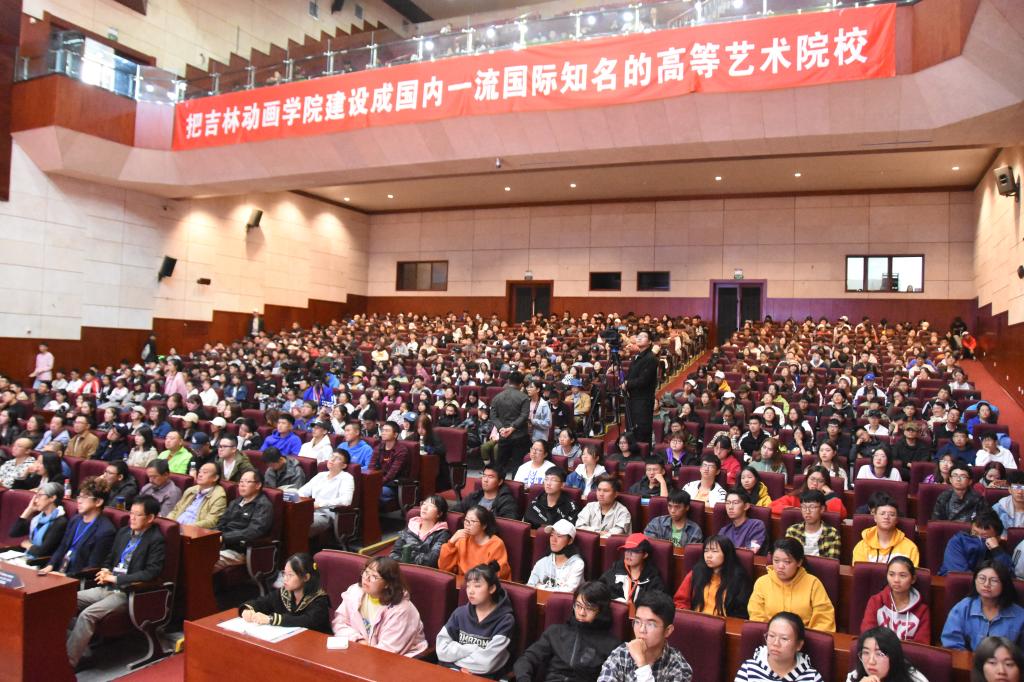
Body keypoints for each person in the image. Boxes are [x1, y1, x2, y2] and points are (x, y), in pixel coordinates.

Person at [66, 495, 165, 669]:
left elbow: (151, 572)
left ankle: (68, 663)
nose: (132, 518)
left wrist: (117, 578)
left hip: (128, 592)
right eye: (131, 513)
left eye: (137, 515)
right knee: (63, 602)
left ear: (150, 518)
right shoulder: (124, 532)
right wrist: (105, 569)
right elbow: (110, 558)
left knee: (88, 615)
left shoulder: (156, 539)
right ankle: (80, 649)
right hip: (107, 586)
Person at [514, 581, 621, 682]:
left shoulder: (612, 645)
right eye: (578, 606)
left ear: (600, 611)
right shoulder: (555, 632)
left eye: (589, 608)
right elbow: (527, 659)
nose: (581, 613)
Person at [331, 556, 429, 656]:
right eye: (366, 572)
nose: (366, 579)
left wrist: (363, 649)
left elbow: (388, 650)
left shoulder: (402, 610)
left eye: (374, 576)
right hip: (362, 651)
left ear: (387, 584)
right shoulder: (355, 591)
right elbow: (339, 622)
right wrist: (358, 640)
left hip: (401, 659)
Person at [436, 560, 516, 677]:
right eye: (468, 586)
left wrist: (455, 661)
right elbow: (441, 650)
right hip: (453, 673)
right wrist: (472, 650)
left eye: (477, 586)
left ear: (492, 588)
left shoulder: (505, 620)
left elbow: (487, 664)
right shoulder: (460, 613)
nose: (471, 591)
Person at [596, 591, 692, 682]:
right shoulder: (621, 654)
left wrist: (641, 664)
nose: (641, 630)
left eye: (650, 624)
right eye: (637, 622)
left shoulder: (679, 667)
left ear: (667, 631)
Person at [749, 538, 836, 632]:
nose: (780, 566)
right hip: (771, 637)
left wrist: (801, 638)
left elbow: (824, 621)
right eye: (776, 560)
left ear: (799, 562)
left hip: (805, 638)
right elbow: (756, 617)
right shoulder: (762, 583)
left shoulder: (813, 584)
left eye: (787, 562)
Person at [41, 477, 116, 577]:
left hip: (77, 578)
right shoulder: (75, 520)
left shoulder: (105, 531)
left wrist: (67, 577)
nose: (79, 501)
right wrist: (50, 565)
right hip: (59, 572)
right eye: (79, 497)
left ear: (98, 502)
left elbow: (93, 567)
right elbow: (63, 546)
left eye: (85, 497)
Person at [942, 561, 1024, 650]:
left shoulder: (1020, 616)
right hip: (968, 658)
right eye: (982, 578)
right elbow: (951, 644)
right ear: (975, 581)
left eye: (994, 580)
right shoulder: (962, 608)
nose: (986, 584)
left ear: (1004, 584)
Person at [240, 552, 331, 633]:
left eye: (290, 575)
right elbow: (262, 602)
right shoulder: (284, 593)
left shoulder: (319, 599)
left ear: (306, 577)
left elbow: (307, 620)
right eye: (284, 573)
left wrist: (271, 619)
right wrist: (247, 610)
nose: (285, 579)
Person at [673, 534, 752, 617]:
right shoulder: (696, 573)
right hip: (695, 620)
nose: (708, 556)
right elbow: (680, 601)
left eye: (714, 551)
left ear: (726, 554)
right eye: (706, 551)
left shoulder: (739, 579)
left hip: (724, 623)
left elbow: (741, 611)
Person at [736, 611, 824, 682]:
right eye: (771, 636)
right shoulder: (748, 669)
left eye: (784, 638)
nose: (776, 643)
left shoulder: (812, 678)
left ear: (798, 645)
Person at [861, 556, 932, 644]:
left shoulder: (922, 610)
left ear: (913, 579)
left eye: (902, 575)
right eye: (891, 574)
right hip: (878, 651)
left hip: (907, 653)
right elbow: (868, 635)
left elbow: (921, 645)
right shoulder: (875, 601)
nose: (896, 580)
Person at [214, 469, 274, 569]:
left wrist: (224, 537)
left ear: (258, 485)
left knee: (205, 559)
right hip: (222, 545)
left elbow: (253, 531)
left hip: (239, 550)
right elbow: (221, 522)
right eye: (241, 481)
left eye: (247, 482)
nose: (242, 485)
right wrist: (211, 535)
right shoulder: (235, 502)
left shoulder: (263, 505)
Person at [438, 505, 512, 581]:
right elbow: (444, 568)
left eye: (472, 521)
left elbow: (498, 574)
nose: (467, 524)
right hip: (462, 583)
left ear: (484, 525)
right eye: (466, 520)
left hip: (484, 584)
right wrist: (451, 542)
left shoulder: (496, 544)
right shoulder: (462, 539)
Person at [7, 482, 68, 565]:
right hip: (28, 558)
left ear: (52, 498)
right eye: (36, 496)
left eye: (40, 495)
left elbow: (43, 552)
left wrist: (28, 545)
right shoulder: (38, 518)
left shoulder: (60, 522)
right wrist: (29, 510)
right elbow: (13, 533)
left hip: (40, 563)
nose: (36, 500)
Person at [297, 449, 355, 537]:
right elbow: (302, 491)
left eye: (338, 458)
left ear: (344, 465)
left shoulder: (346, 478)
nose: (332, 459)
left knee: (299, 524)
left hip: (325, 515)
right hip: (309, 511)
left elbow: (346, 501)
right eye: (332, 456)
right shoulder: (321, 475)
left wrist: (320, 504)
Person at [852, 494, 920, 566]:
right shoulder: (861, 547)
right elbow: (860, 572)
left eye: (892, 514)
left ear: (896, 520)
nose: (886, 517)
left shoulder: (910, 548)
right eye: (882, 513)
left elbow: (911, 572)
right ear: (875, 518)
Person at [598, 532, 667, 603]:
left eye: (634, 551)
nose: (629, 554)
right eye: (626, 550)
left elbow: (657, 603)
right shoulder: (616, 570)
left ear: (645, 555)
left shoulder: (653, 579)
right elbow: (599, 589)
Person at [941, 511, 1013, 576]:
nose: (979, 539)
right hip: (955, 583)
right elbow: (960, 575)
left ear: (997, 538)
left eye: (984, 537)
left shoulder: (998, 548)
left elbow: (1008, 575)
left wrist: (997, 550)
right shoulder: (958, 541)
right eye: (974, 533)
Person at [846, 626, 928, 682]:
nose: (871, 662)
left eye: (879, 654)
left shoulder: (916, 679)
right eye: (866, 653)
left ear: (893, 656)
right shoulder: (855, 676)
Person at [490, 371, 532, 479]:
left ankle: (497, 485)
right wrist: (513, 428)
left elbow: (493, 416)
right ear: (521, 384)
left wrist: (501, 428)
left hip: (503, 435)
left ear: (508, 381)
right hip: (520, 436)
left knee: (500, 464)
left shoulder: (497, 397)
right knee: (518, 465)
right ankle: (516, 487)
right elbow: (524, 416)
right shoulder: (524, 397)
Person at [390, 495, 451, 567]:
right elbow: (394, 554)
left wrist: (407, 558)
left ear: (439, 514)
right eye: (424, 504)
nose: (425, 507)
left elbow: (432, 560)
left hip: (425, 572)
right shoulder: (411, 527)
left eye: (431, 506)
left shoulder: (442, 534)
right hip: (402, 569)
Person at [527, 519, 586, 593]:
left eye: (559, 536)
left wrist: (540, 586)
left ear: (570, 540)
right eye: (552, 535)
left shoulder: (577, 564)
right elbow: (529, 588)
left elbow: (567, 592)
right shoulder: (542, 562)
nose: (553, 540)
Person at [622, 331, 658, 446]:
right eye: (638, 336)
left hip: (643, 401)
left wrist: (627, 383)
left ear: (650, 341)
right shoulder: (636, 357)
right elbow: (630, 376)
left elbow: (643, 381)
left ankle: (643, 454)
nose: (639, 338)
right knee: (630, 430)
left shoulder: (651, 358)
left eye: (643, 336)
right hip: (632, 399)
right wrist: (625, 382)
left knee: (641, 432)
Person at [167, 462, 227, 529]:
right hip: (176, 528)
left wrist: (185, 528)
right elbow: (175, 510)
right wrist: (169, 523)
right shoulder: (191, 490)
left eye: (205, 472)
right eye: (200, 472)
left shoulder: (219, 496)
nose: (200, 475)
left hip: (193, 531)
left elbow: (211, 522)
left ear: (215, 478)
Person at [784, 490, 842, 560]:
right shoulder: (793, 530)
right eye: (804, 507)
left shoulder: (832, 533)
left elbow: (831, 562)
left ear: (822, 509)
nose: (807, 511)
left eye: (812, 507)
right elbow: (788, 558)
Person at [772, 467, 846, 519]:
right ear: (807, 479)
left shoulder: (829, 499)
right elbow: (772, 506)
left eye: (820, 481)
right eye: (812, 479)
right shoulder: (796, 496)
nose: (815, 483)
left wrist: (830, 494)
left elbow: (840, 516)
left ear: (825, 484)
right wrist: (798, 510)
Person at [454, 463, 520, 518]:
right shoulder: (475, 496)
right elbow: (455, 511)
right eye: (484, 475)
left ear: (500, 482)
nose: (485, 480)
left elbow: (508, 524)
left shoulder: (506, 501)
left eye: (490, 477)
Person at [370, 421, 411, 504]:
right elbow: (371, 466)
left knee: (372, 491)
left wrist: (376, 484)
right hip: (378, 481)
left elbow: (391, 474)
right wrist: (370, 480)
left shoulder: (401, 450)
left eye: (387, 431)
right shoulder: (379, 447)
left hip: (392, 484)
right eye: (383, 430)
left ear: (395, 435)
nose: (383, 433)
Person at [720, 489, 768, 554]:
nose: (730, 507)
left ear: (746, 506)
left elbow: (752, 551)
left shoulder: (756, 525)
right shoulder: (724, 531)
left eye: (735, 503)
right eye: (728, 503)